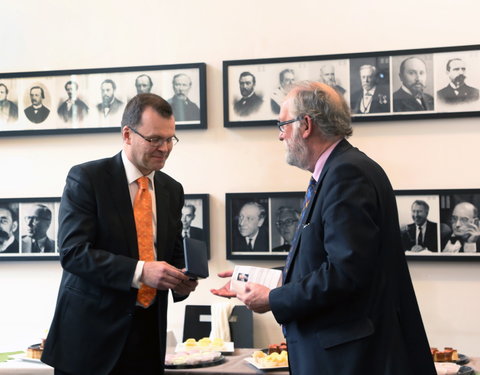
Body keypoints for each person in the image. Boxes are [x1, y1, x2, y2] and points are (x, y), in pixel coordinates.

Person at [212, 81, 435, 375]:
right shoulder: (339, 170)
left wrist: (273, 299)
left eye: (282, 125)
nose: (280, 136)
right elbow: (326, 262)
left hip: (350, 359)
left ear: (306, 125)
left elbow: (345, 273)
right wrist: (264, 279)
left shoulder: (346, 173)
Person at [42, 93, 198, 375]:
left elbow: (171, 254)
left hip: (148, 342)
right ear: (127, 134)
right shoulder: (87, 178)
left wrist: (181, 280)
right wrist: (141, 272)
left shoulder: (172, 190)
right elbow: (73, 253)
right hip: (89, 343)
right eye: (154, 139)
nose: (164, 148)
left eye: (170, 139)